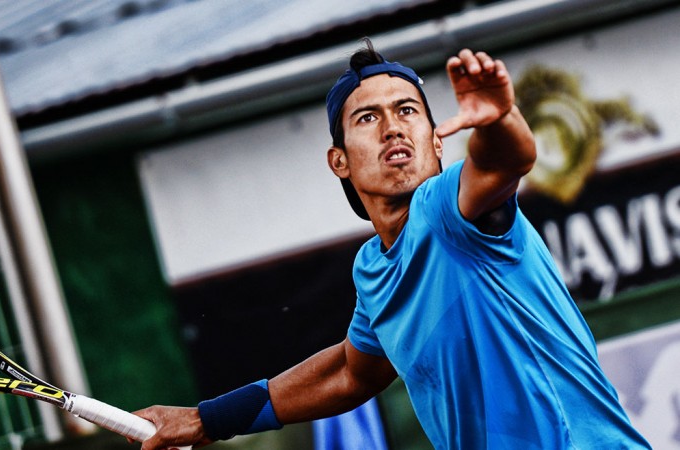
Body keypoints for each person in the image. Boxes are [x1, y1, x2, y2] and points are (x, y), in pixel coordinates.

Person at [133, 40, 651, 449]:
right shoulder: (373, 271)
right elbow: (348, 373)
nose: (392, 128)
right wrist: (204, 419)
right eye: (367, 118)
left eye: (407, 111)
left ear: (436, 139)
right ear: (339, 160)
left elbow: (503, 162)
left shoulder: (446, 208)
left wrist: (500, 118)